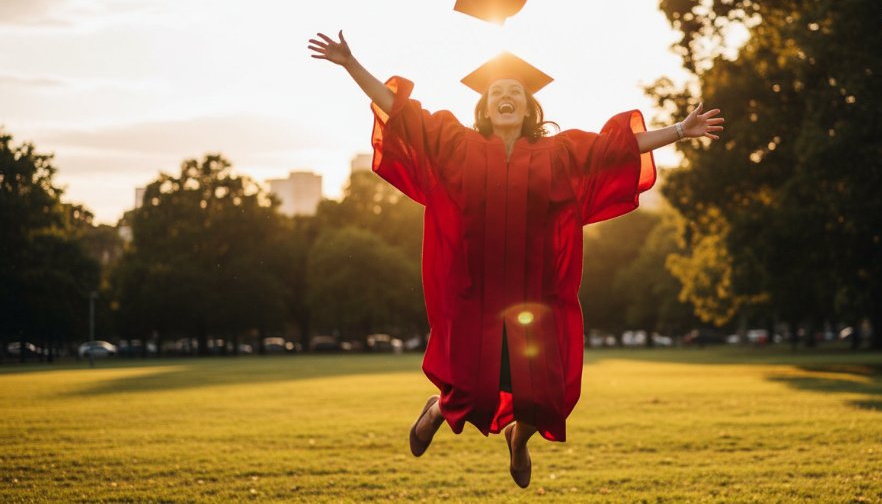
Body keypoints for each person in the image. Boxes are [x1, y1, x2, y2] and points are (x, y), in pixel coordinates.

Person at [307, 30, 723, 488]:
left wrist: (681, 131)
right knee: (467, 388)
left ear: (529, 109)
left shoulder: (558, 153)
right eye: (496, 93)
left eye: (515, 93)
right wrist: (351, 64)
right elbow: (401, 112)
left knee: (546, 398)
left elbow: (617, 148)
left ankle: (518, 439)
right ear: (484, 109)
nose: (506, 97)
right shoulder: (455, 144)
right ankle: (436, 409)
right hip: (475, 293)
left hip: (536, 296)